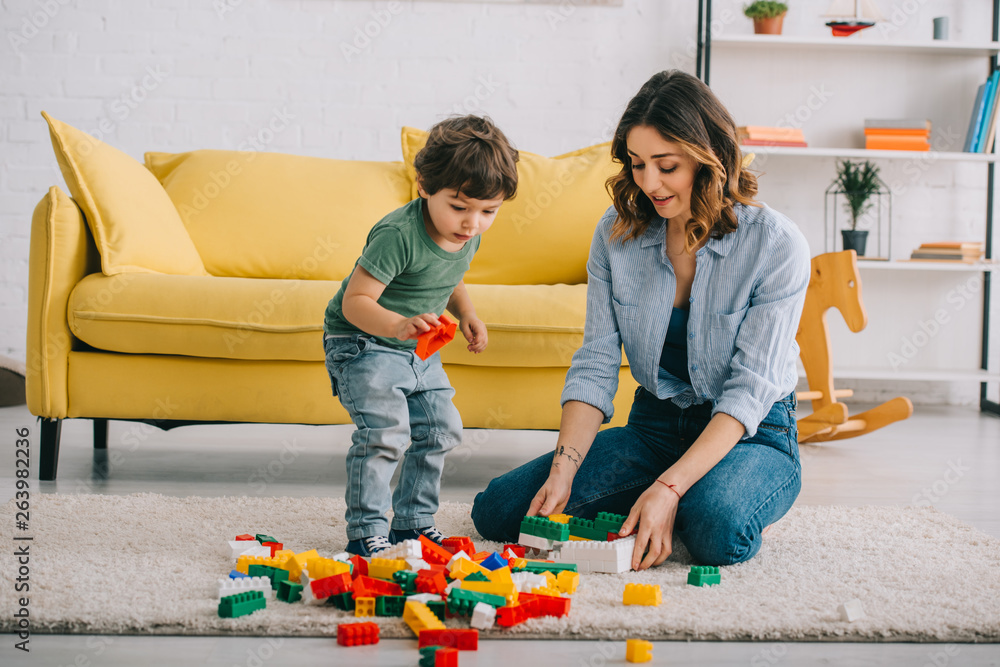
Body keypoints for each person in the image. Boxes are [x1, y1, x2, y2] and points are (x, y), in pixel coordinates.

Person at [471, 70, 810, 570]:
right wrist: (565, 469)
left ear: (706, 157)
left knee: (714, 529)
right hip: (654, 427)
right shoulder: (616, 235)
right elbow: (596, 363)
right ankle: (659, 500)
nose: (649, 183)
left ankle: (683, 499)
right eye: (636, 165)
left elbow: (750, 390)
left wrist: (669, 487)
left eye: (666, 165)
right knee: (500, 510)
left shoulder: (776, 244)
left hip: (753, 432)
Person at [324, 115, 519, 557]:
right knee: (386, 433)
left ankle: (412, 524)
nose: (472, 223)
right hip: (363, 343)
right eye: (460, 206)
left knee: (441, 428)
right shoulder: (398, 235)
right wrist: (395, 326)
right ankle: (366, 532)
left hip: (417, 346)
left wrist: (466, 313)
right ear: (424, 187)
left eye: (489, 211)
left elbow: (449, 277)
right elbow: (356, 301)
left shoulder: (466, 235)